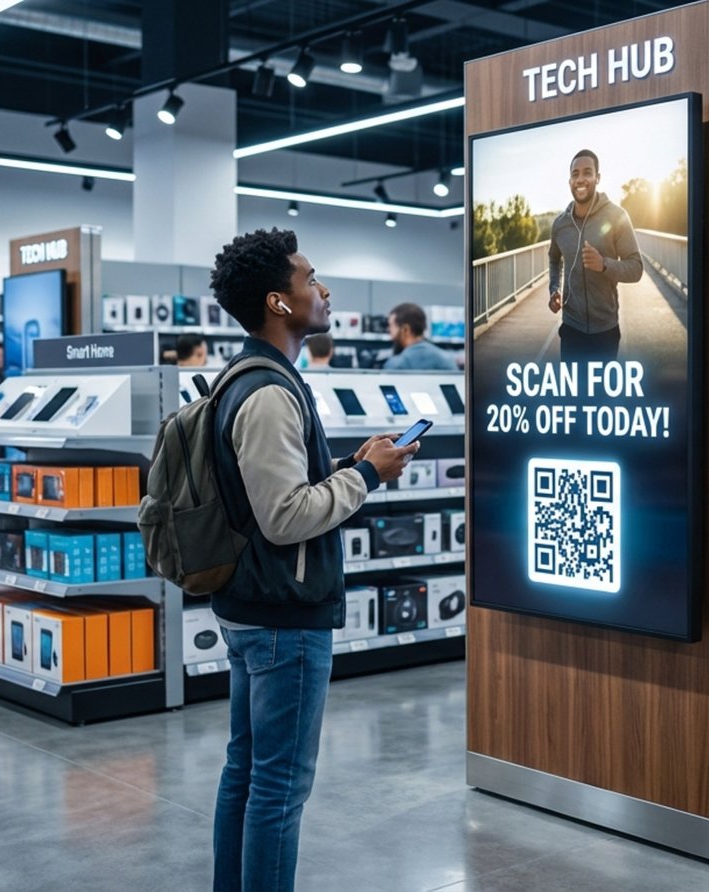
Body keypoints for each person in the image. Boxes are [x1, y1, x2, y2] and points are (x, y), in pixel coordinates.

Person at [206, 228, 416, 892]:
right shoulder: (269, 392)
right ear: (278, 301)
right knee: (278, 786)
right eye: (311, 279)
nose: (323, 291)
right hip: (283, 621)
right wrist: (369, 479)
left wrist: (348, 466)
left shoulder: (254, 378)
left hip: (254, 612)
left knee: (246, 772)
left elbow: (275, 489)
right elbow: (284, 515)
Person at [546, 148, 645, 362]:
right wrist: (554, 288)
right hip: (571, 329)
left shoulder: (617, 216)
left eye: (587, 172)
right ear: (569, 181)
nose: (580, 179)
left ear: (597, 178)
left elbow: (636, 268)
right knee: (572, 395)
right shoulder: (560, 224)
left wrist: (604, 265)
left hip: (605, 332)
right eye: (575, 174)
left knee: (600, 396)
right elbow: (554, 259)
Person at [381, 303, 457, 370]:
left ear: (405, 330)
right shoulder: (447, 359)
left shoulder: (397, 364)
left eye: (391, 326)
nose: (389, 330)